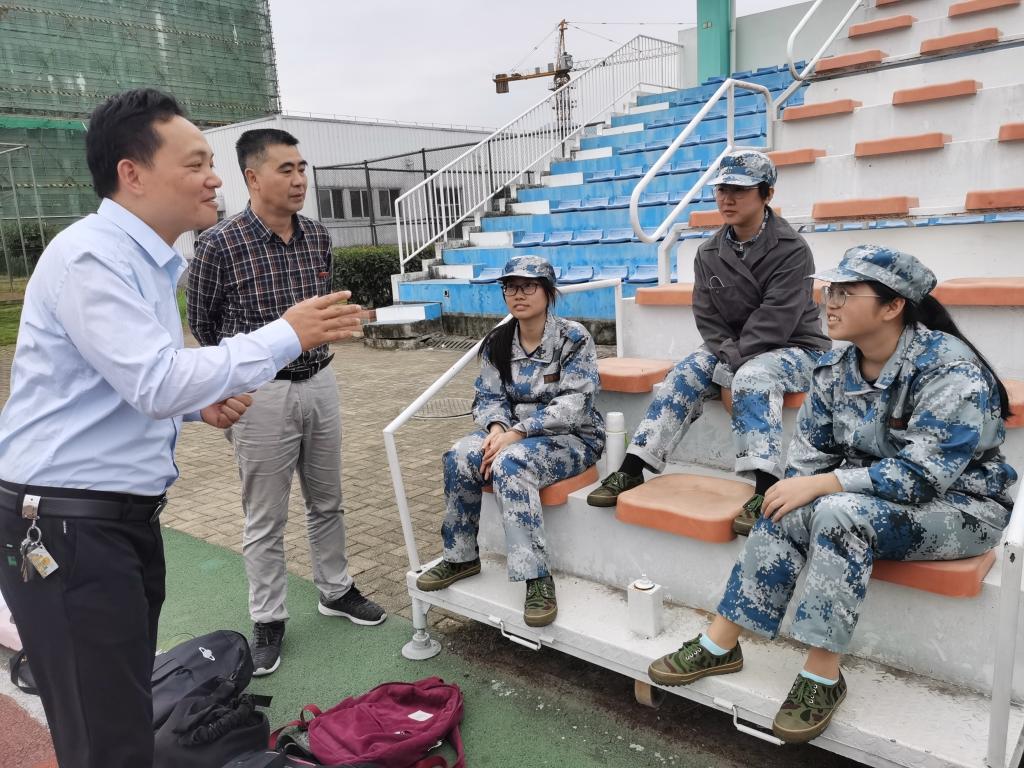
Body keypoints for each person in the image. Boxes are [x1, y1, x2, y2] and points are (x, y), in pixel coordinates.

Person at [0, 89, 362, 768]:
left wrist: (198, 405)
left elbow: (127, 382)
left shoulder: (144, 261)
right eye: (196, 163)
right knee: (106, 736)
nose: (214, 177)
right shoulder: (92, 257)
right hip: (69, 528)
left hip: (111, 522)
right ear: (132, 173)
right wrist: (286, 334)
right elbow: (156, 379)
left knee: (121, 714)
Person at [647, 245, 1016, 743]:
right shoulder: (836, 365)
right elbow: (811, 455)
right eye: (830, 290)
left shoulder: (949, 368)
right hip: (870, 496)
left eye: (846, 292)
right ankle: (721, 642)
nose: (830, 302)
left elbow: (923, 476)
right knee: (785, 502)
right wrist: (804, 485)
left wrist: (825, 484)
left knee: (838, 511)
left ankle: (823, 675)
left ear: (893, 306)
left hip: (962, 506)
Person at [187, 128, 386, 678]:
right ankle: (268, 618)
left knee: (328, 500)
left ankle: (336, 589)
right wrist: (237, 378)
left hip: (319, 381)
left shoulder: (317, 236)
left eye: (302, 169)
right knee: (265, 515)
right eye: (286, 170)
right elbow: (202, 324)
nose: (299, 180)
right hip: (260, 396)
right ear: (252, 177)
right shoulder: (220, 244)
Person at [586, 150, 831, 533]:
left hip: (794, 346)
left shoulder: (791, 249)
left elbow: (776, 320)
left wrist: (731, 367)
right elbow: (708, 319)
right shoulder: (709, 252)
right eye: (722, 190)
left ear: (766, 194)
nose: (727, 199)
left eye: (740, 190)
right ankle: (634, 466)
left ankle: (766, 485)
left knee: (754, 376)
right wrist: (729, 359)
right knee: (686, 372)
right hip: (732, 347)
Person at [415, 255, 605, 626]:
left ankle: (536, 577)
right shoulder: (498, 342)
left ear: (548, 292)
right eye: (510, 287)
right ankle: (460, 557)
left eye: (528, 286)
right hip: (510, 434)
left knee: (511, 463)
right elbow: (488, 397)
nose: (518, 294)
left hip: (571, 437)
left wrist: (517, 434)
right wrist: (497, 429)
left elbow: (575, 403)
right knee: (458, 455)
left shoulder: (573, 338)